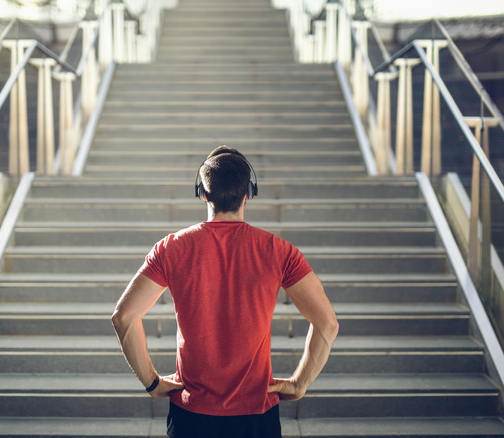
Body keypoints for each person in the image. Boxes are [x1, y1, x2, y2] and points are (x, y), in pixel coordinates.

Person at [112, 145, 339, 438]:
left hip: (192, 413)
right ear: (249, 193)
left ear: (202, 193)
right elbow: (327, 324)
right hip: (257, 415)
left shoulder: (172, 248)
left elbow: (123, 317)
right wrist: (299, 383)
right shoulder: (279, 251)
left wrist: (152, 383)